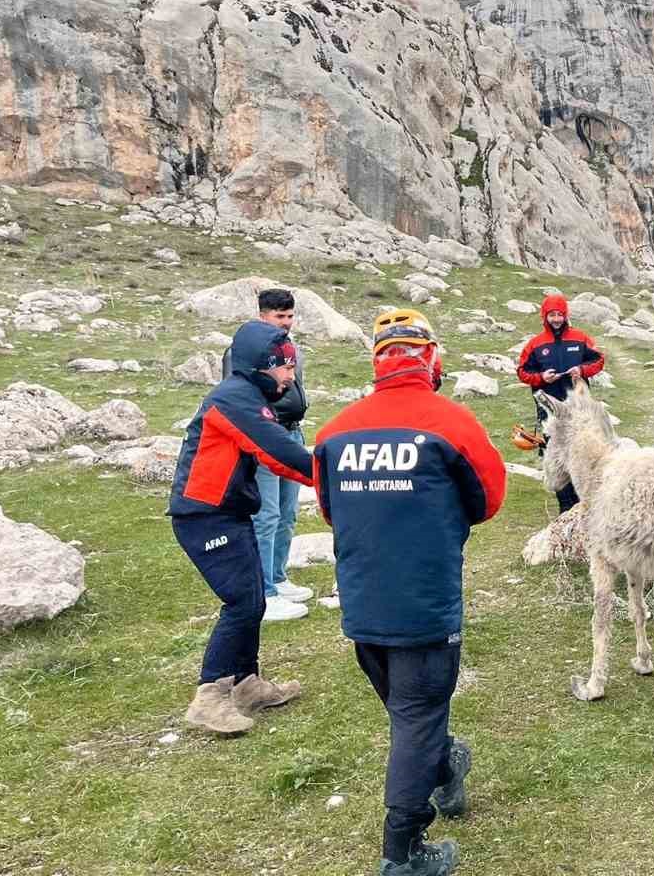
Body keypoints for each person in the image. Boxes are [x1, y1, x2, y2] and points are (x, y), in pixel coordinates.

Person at [315, 308, 507, 876]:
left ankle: (445, 767)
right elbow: (489, 500)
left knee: (411, 716)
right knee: (418, 718)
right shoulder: (452, 424)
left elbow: (330, 511)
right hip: (425, 603)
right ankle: (403, 851)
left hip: (363, 603)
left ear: (377, 361)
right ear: (432, 359)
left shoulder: (333, 432)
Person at [168, 319, 315, 736]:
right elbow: (276, 450)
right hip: (204, 517)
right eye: (284, 366)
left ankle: (247, 683)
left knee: (254, 599)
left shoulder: (248, 396)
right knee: (242, 603)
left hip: (229, 513)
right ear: (260, 364)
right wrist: (336, 476)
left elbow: (270, 456)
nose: (290, 376)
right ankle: (209, 697)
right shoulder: (233, 398)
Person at [220, 288, 312, 623]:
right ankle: (264, 593)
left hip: (292, 432)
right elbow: (239, 397)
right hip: (266, 436)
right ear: (263, 316)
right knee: (267, 514)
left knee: (287, 513)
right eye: (279, 316)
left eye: (290, 316)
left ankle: (278, 576)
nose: (286, 322)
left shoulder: (290, 348)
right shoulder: (243, 352)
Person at [515, 294, 605, 512]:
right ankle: (565, 507)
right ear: (544, 317)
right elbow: (522, 372)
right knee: (556, 453)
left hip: (578, 406)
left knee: (581, 448)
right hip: (549, 409)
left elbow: (599, 360)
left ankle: (584, 501)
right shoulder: (535, 344)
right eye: (552, 315)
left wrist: (581, 370)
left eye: (560, 314)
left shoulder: (580, 338)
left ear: (566, 315)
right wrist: (541, 378)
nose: (556, 319)